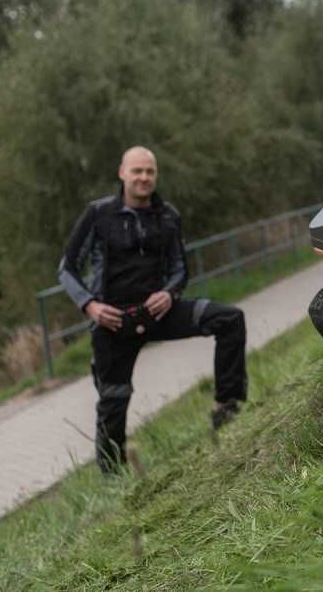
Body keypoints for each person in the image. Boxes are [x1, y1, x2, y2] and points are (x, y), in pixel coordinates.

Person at [58, 146, 247, 474]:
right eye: (137, 171)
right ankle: (113, 480)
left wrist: (170, 292)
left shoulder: (168, 215)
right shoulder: (98, 214)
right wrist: (90, 305)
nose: (144, 178)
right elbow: (66, 268)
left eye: (149, 172)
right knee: (113, 402)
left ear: (155, 175)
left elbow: (180, 268)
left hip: (159, 314)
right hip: (111, 323)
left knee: (230, 318)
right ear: (122, 174)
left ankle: (226, 409)